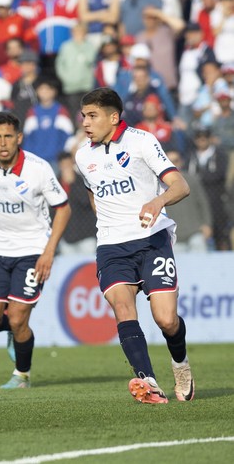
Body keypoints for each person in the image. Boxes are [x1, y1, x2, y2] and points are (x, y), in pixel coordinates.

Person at [75, 87, 194, 403]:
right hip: (112, 246)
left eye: (92, 116)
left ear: (113, 117)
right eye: (83, 116)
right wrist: (105, 216)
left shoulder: (142, 141)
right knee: (123, 308)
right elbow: (92, 189)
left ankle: (180, 364)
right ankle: (149, 382)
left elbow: (180, 185)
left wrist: (158, 201)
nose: (85, 122)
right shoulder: (82, 155)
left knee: (166, 319)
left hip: (152, 240)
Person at [0, 111, 71, 389]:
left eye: (8, 136)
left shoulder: (38, 169)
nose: (2, 143)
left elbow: (63, 208)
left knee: (17, 316)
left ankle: (21, 375)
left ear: (19, 138)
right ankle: (14, 331)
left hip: (33, 250)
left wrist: (48, 252)